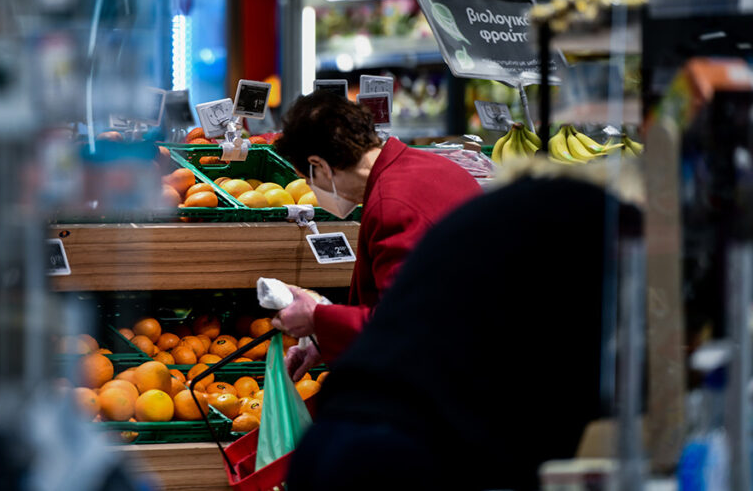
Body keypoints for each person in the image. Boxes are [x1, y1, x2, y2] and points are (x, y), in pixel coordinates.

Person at [286, 175, 642, 490]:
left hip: (335, 437)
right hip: (404, 454)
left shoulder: (517, 216)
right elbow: (579, 378)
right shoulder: (595, 237)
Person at [271, 92, 481, 377]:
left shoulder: (390, 204)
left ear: (319, 164)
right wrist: (326, 344)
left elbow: (404, 323)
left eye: (309, 180)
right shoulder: (439, 167)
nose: (312, 188)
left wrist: (317, 318)